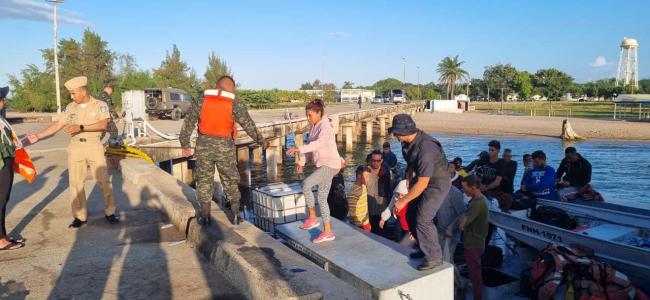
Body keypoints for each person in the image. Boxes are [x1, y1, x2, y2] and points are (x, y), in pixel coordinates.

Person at [26, 76, 119, 228]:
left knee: (103, 181)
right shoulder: (70, 107)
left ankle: (110, 212)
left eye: (74, 93)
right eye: (70, 93)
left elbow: (103, 124)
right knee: (75, 183)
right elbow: (58, 125)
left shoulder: (100, 105)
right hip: (75, 147)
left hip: (93, 146)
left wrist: (81, 127)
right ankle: (79, 216)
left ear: (83, 91)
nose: (71, 96)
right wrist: (37, 136)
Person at [180, 76, 266, 226]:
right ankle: (235, 215)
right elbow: (248, 124)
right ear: (228, 87)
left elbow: (188, 123)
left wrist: (185, 144)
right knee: (230, 180)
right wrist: (261, 140)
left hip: (203, 146)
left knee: (204, 180)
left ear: (217, 86)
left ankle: (205, 215)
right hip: (225, 148)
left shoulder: (202, 99)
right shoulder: (233, 103)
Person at [390, 114, 451, 271]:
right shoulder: (408, 143)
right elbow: (412, 163)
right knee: (411, 215)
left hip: (437, 183)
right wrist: (409, 176)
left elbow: (424, 183)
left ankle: (434, 257)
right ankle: (424, 248)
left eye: (395, 132)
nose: (394, 135)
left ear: (403, 132)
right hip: (422, 179)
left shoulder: (427, 147)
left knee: (423, 218)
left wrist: (403, 200)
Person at [287, 99, 343, 243]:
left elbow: (319, 143)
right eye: (307, 115)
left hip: (331, 165)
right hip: (324, 165)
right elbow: (311, 146)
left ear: (319, 113)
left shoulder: (325, 126)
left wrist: (299, 149)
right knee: (322, 198)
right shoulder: (313, 127)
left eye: (310, 115)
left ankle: (312, 218)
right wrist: (301, 161)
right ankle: (328, 232)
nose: (308, 118)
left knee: (306, 184)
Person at [0, 86, 25, 250]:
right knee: (0, 199)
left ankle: (2, 235)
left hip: (6, 160)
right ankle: (0, 241)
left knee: (3, 199)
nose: (4, 101)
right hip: (1, 162)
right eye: (2, 98)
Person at [459, 175, 490, 300]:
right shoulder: (481, 200)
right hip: (478, 242)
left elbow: (462, 223)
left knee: (475, 275)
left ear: (473, 187)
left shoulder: (477, 204)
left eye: (464, 188)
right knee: (475, 272)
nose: (463, 191)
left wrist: (462, 213)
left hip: (473, 244)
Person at [475, 140, 511, 211]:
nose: (490, 152)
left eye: (492, 150)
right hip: (480, 186)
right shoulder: (484, 159)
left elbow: (497, 181)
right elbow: (477, 174)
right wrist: (480, 184)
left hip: (493, 190)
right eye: (489, 150)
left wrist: (486, 188)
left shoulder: (502, 163)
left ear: (498, 151)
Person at [367, 149, 394, 238]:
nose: (375, 163)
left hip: (383, 206)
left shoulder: (387, 171)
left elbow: (391, 187)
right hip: (370, 207)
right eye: (373, 160)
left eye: (378, 160)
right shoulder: (366, 171)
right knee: (372, 231)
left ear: (381, 160)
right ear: (371, 160)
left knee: (382, 230)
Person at [379, 180, 412, 244]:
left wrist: (414, 231)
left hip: (410, 225)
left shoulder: (411, 199)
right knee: (398, 240)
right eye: (398, 194)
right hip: (399, 223)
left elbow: (416, 215)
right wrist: (383, 219)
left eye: (402, 195)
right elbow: (390, 207)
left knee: (408, 244)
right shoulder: (395, 197)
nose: (400, 197)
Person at [347, 166, 371, 232]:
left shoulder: (363, 186)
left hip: (366, 222)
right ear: (359, 176)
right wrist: (355, 230)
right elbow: (351, 215)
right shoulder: (353, 192)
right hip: (360, 225)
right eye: (366, 176)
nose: (368, 179)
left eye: (369, 176)